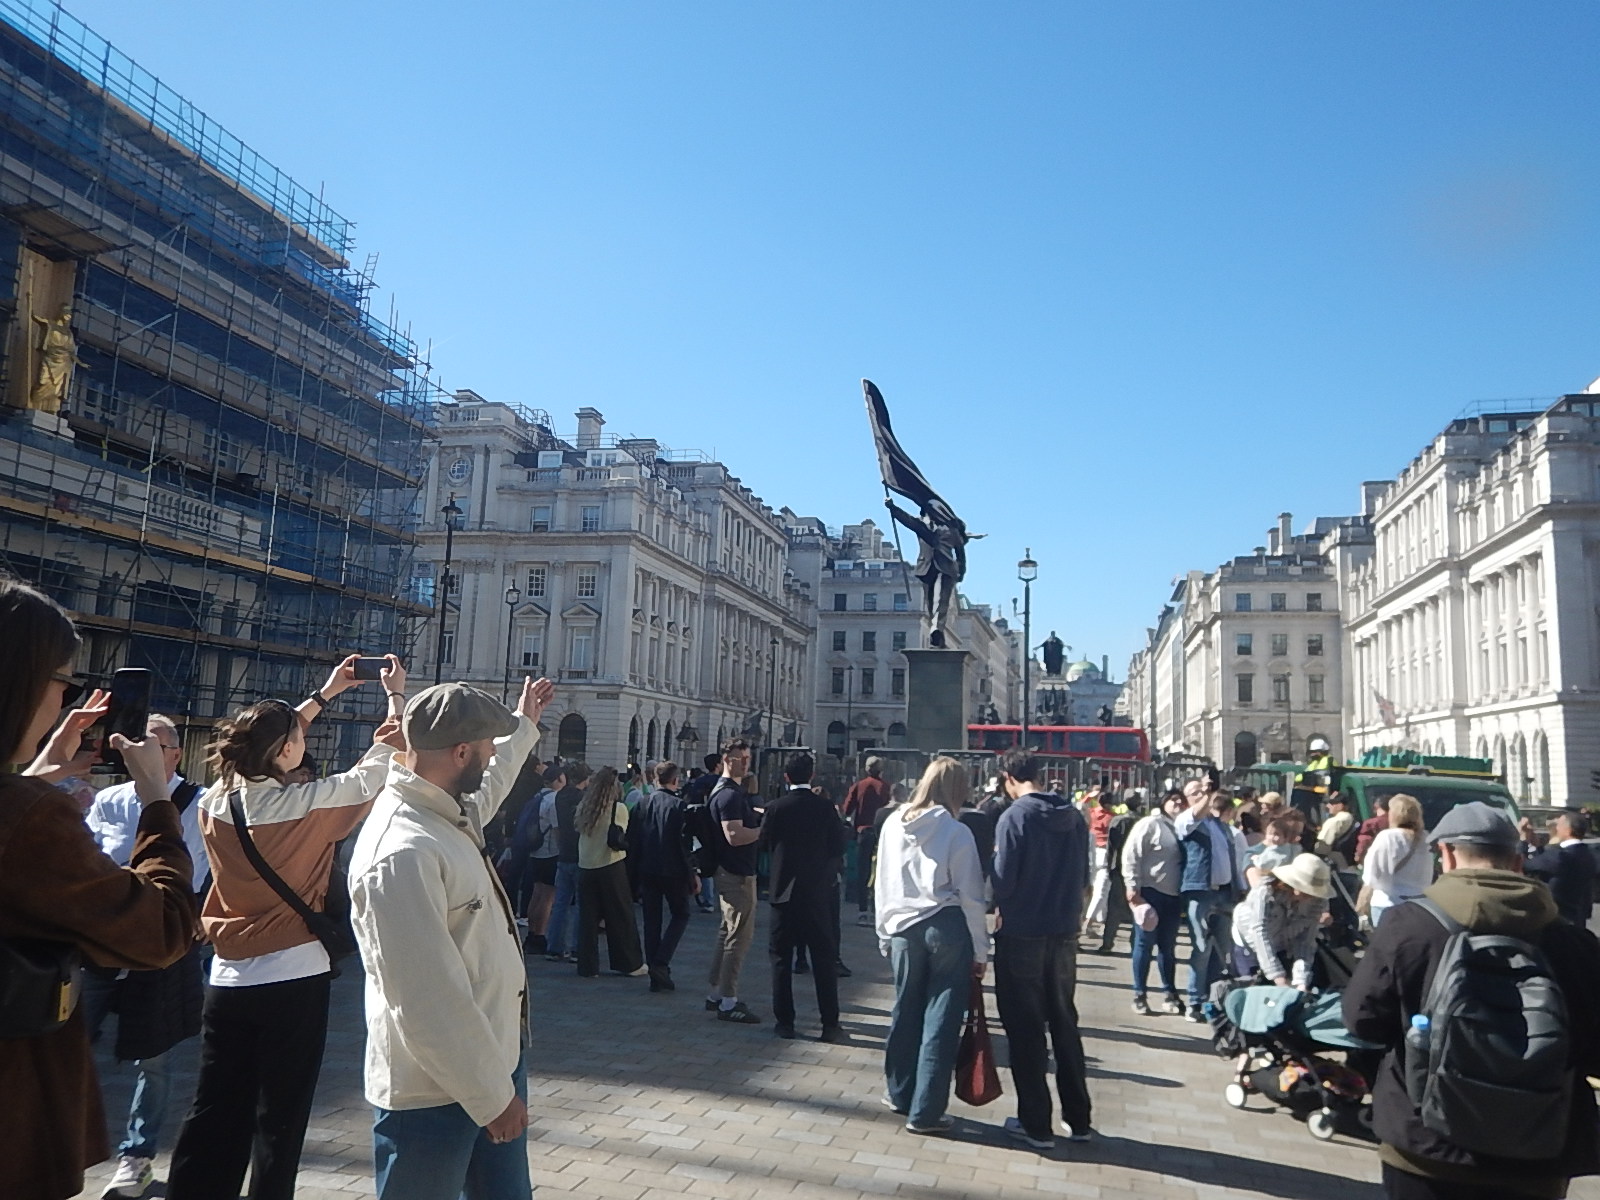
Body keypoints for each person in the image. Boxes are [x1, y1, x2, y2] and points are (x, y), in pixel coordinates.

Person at [165, 654, 407, 1200]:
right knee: (281, 1117)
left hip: (227, 977)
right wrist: (394, 695)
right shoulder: (309, 806)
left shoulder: (215, 801)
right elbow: (382, 761)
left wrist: (325, 693)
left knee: (213, 1108)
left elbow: (265, 742)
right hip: (293, 975)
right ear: (287, 751)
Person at [0, 578, 199, 1200]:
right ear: (20, 681)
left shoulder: (25, 804)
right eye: (63, 679)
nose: (68, 698)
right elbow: (162, 928)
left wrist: (33, 775)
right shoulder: (31, 816)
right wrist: (157, 800)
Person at [347, 676, 551, 1200]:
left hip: (489, 1064)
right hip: (433, 1093)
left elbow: (492, 783)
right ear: (461, 752)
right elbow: (425, 998)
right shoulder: (403, 850)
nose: (492, 754)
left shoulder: (444, 813)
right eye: (486, 746)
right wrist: (493, 1098)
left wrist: (523, 727)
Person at [1343, 802, 1600, 1200]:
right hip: (1537, 1148)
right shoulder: (1572, 942)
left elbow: (1362, 1020)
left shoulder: (1410, 926)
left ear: (1445, 854)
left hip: (1425, 1143)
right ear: (1517, 862)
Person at [79, 713, 210, 1199]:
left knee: (153, 1057)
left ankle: (137, 1157)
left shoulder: (199, 803)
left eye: (155, 746)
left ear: (174, 754)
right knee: (71, 1041)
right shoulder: (109, 801)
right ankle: (67, 1138)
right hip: (102, 943)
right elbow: (89, 861)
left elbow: (202, 870)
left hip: (161, 946)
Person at [874, 757, 988, 1134]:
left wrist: (884, 931)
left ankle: (899, 1092)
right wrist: (981, 949)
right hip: (946, 926)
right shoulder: (957, 831)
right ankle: (926, 1111)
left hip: (903, 928)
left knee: (905, 1012)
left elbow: (883, 880)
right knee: (941, 1019)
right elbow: (972, 895)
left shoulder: (893, 823)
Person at [992, 748, 1092, 1150]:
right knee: (1065, 1022)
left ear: (1008, 778)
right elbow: (1084, 875)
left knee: (1026, 1028)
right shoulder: (1074, 817)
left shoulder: (1014, 817)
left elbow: (1003, 881)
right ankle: (1079, 1118)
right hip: (1064, 931)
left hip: (1023, 932)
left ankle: (1036, 1124)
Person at [761, 753, 848, 1042]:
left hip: (783, 892)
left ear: (786, 777)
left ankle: (785, 1022)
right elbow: (838, 846)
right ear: (812, 775)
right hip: (817, 892)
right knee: (823, 958)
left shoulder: (776, 807)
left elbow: (764, 843)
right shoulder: (825, 808)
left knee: (780, 958)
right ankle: (830, 1023)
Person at [1174, 777, 1244, 1022]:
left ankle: (1212, 1001)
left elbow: (1232, 858)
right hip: (1200, 892)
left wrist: (1239, 888)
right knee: (1201, 948)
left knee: (1221, 949)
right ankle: (1195, 1001)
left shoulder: (1220, 825)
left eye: (1203, 791)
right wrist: (1207, 792)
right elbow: (1197, 812)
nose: (1201, 795)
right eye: (1195, 792)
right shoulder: (1187, 821)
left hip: (1224, 893)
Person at [704, 738, 763, 1023]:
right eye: (742, 758)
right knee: (738, 937)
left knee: (727, 932)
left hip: (728, 870)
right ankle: (728, 1001)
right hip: (736, 873)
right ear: (727, 760)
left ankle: (716, 993)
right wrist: (764, 830)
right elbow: (735, 835)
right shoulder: (729, 796)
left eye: (749, 758)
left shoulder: (725, 792)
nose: (747, 763)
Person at [630, 761, 697, 992]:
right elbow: (684, 844)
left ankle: (655, 972)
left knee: (652, 921)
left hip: (647, 868)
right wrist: (692, 872)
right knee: (681, 914)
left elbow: (634, 839)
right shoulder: (679, 806)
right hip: (673, 870)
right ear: (675, 780)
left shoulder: (643, 803)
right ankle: (661, 961)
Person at [574, 767, 645, 978]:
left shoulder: (584, 807)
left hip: (585, 865)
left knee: (587, 920)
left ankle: (587, 967)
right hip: (610, 864)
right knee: (620, 916)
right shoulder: (618, 809)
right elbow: (622, 834)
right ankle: (629, 964)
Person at [1122, 789, 1185, 1015]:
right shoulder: (1150, 824)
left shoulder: (1183, 828)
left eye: (1181, 800)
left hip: (1173, 896)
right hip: (1149, 893)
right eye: (1173, 799)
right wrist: (1132, 886)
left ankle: (1170, 994)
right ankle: (1139, 994)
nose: (1178, 803)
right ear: (1163, 802)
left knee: (1167, 947)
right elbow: (1131, 855)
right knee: (1144, 944)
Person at [1231, 853, 1331, 989]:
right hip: (1249, 941)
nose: (1310, 896)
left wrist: (1301, 981)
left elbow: (1305, 941)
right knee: (1256, 990)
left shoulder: (1318, 903)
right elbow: (1259, 932)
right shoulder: (1266, 891)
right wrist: (1278, 977)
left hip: (1283, 943)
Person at [1361, 794, 1431, 927]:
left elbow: (1372, 875)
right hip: (1419, 904)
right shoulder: (1425, 838)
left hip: (1388, 903)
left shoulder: (1387, 836)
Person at [542, 763, 589, 963]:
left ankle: (554, 947)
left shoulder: (559, 796)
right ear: (585, 779)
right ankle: (577, 948)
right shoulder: (583, 798)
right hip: (580, 854)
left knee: (560, 902)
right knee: (580, 904)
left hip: (564, 852)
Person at [1527, 810, 1598, 927]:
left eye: (1559, 825)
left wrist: (1523, 841)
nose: (1556, 828)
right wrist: (1538, 847)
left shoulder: (1561, 856)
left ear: (1568, 830)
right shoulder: (1589, 855)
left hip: (1557, 919)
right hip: (1578, 918)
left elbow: (1528, 865)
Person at [844, 757, 893, 921]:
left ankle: (863, 910)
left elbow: (847, 809)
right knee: (881, 871)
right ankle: (877, 907)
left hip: (863, 833)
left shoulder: (859, 786)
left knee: (863, 871)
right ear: (881, 770)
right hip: (882, 834)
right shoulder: (885, 787)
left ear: (866, 769)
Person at [1316, 792, 1358, 867]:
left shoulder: (1334, 821)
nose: (1328, 806)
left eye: (1332, 803)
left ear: (1341, 805)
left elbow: (1322, 847)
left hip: (1332, 861)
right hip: (1344, 861)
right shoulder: (1350, 818)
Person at [1355, 794, 1391, 865]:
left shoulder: (1371, 823)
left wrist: (1359, 856)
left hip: (1376, 861)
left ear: (1376, 806)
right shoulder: (1399, 822)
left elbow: (1364, 841)